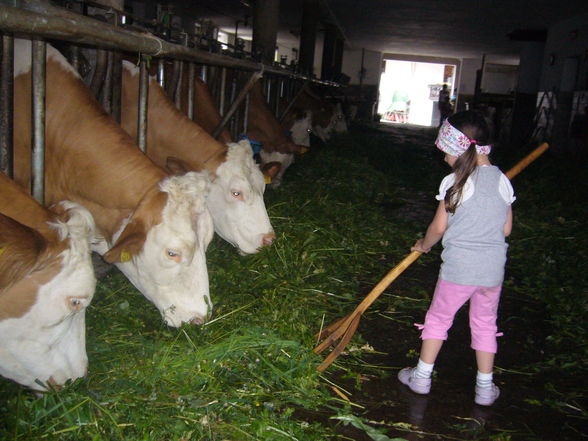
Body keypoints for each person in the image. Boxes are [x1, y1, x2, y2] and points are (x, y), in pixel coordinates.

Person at [398, 111, 515, 407]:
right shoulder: (502, 180)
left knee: (438, 319)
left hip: (459, 270)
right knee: (485, 324)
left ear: (457, 150)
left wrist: (423, 245)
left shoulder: (454, 181)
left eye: (447, 153)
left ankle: (422, 376)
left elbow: (438, 227)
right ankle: (485, 387)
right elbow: (506, 228)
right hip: (492, 272)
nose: (445, 159)